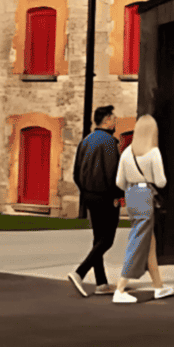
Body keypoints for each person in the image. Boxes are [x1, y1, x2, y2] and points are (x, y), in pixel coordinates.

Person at [113, 113, 173, 303]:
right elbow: (161, 182)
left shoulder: (126, 153)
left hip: (131, 196)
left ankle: (158, 286)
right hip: (145, 196)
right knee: (138, 241)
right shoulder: (153, 152)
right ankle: (120, 288)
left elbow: (119, 182)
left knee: (148, 242)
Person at [68, 104, 122, 297]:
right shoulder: (108, 142)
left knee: (98, 239)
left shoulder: (86, 141)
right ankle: (79, 272)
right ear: (107, 119)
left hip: (89, 195)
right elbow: (113, 173)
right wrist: (117, 195)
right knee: (107, 240)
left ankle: (101, 283)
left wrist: (85, 190)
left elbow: (75, 172)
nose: (115, 122)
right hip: (105, 196)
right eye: (113, 118)